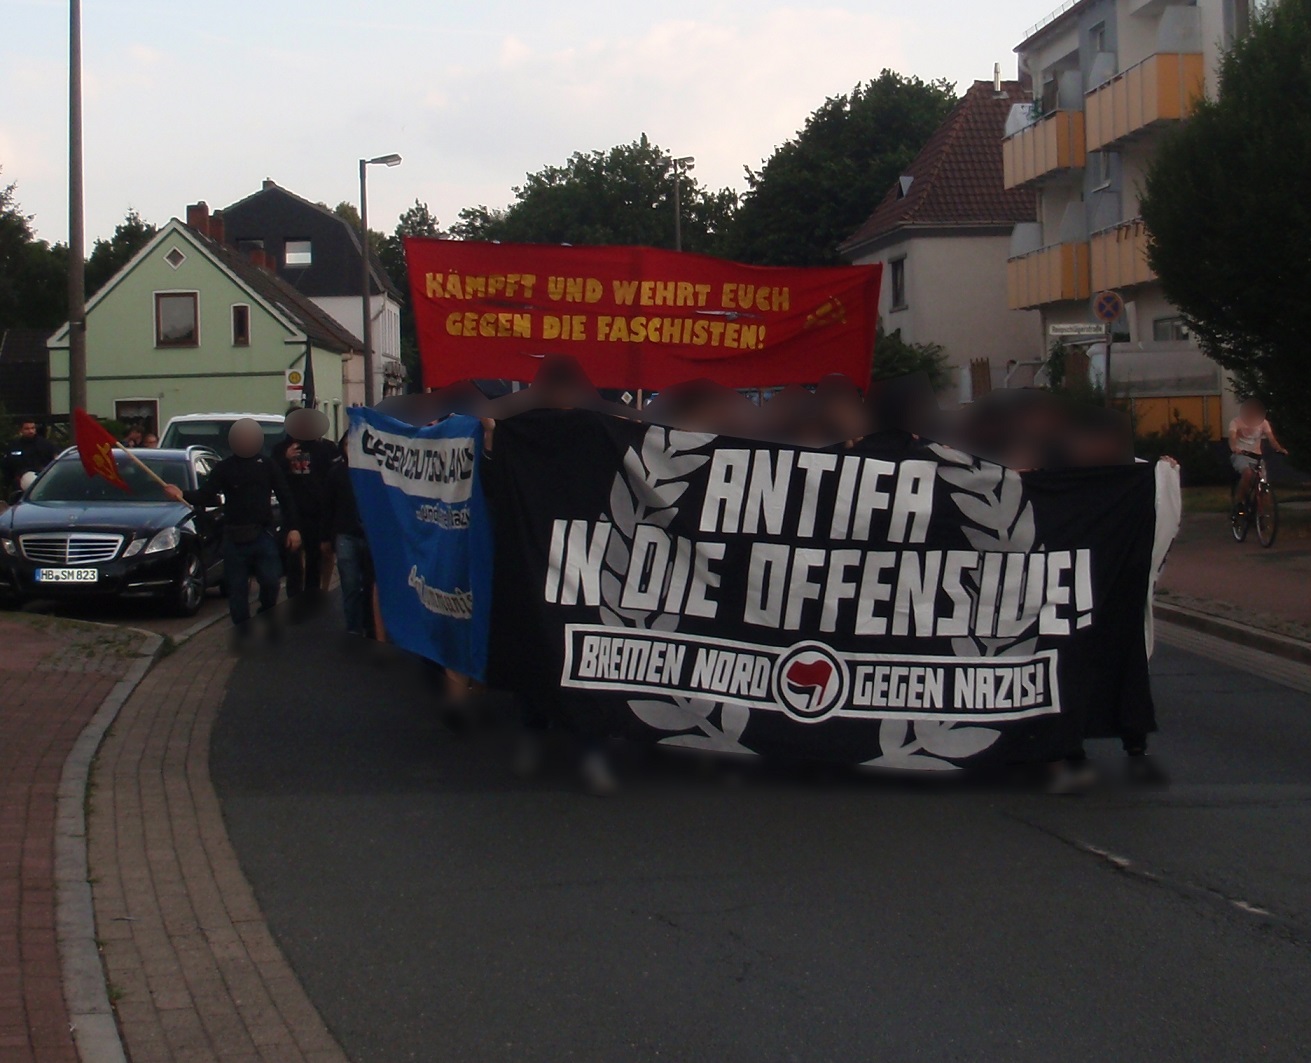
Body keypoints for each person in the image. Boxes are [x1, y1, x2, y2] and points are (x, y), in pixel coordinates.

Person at [164, 418, 300, 632]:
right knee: (237, 588)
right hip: (234, 536)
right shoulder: (224, 468)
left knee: (271, 581)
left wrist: (293, 528)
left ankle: (266, 609)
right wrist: (182, 494)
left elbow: (286, 497)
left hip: (263, 533)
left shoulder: (267, 465)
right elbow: (206, 495)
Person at [272, 408, 337, 602]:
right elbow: (274, 476)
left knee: (314, 559)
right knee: (293, 558)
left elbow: (329, 478)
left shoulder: (320, 449)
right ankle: (294, 596)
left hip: (316, 512)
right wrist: (285, 459)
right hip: (292, 512)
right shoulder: (280, 449)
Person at [326, 436, 370, 636]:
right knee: (350, 583)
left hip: (370, 536)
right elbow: (327, 506)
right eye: (347, 444)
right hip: (345, 535)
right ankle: (353, 627)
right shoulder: (336, 474)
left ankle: (370, 625)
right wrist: (326, 538)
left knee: (370, 584)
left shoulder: (372, 473)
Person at [1229, 397, 1288, 508]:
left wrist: (1279, 449)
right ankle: (1239, 502)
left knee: (1263, 485)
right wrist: (1234, 447)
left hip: (1257, 457)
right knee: (1247, 473)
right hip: (1241, 455)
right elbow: (1232, 436)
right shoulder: (1236, 422)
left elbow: (1272, 439)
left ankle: (1261, 514)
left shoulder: (1263, 423)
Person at [3, 420, 57, 495]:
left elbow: (55, 462)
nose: (31, 431)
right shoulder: (14, 446)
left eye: (33, 428)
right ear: (21, 430)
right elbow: (7, 467)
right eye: (27, 429)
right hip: (18, 486)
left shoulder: (45, 445)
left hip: (42, 483)